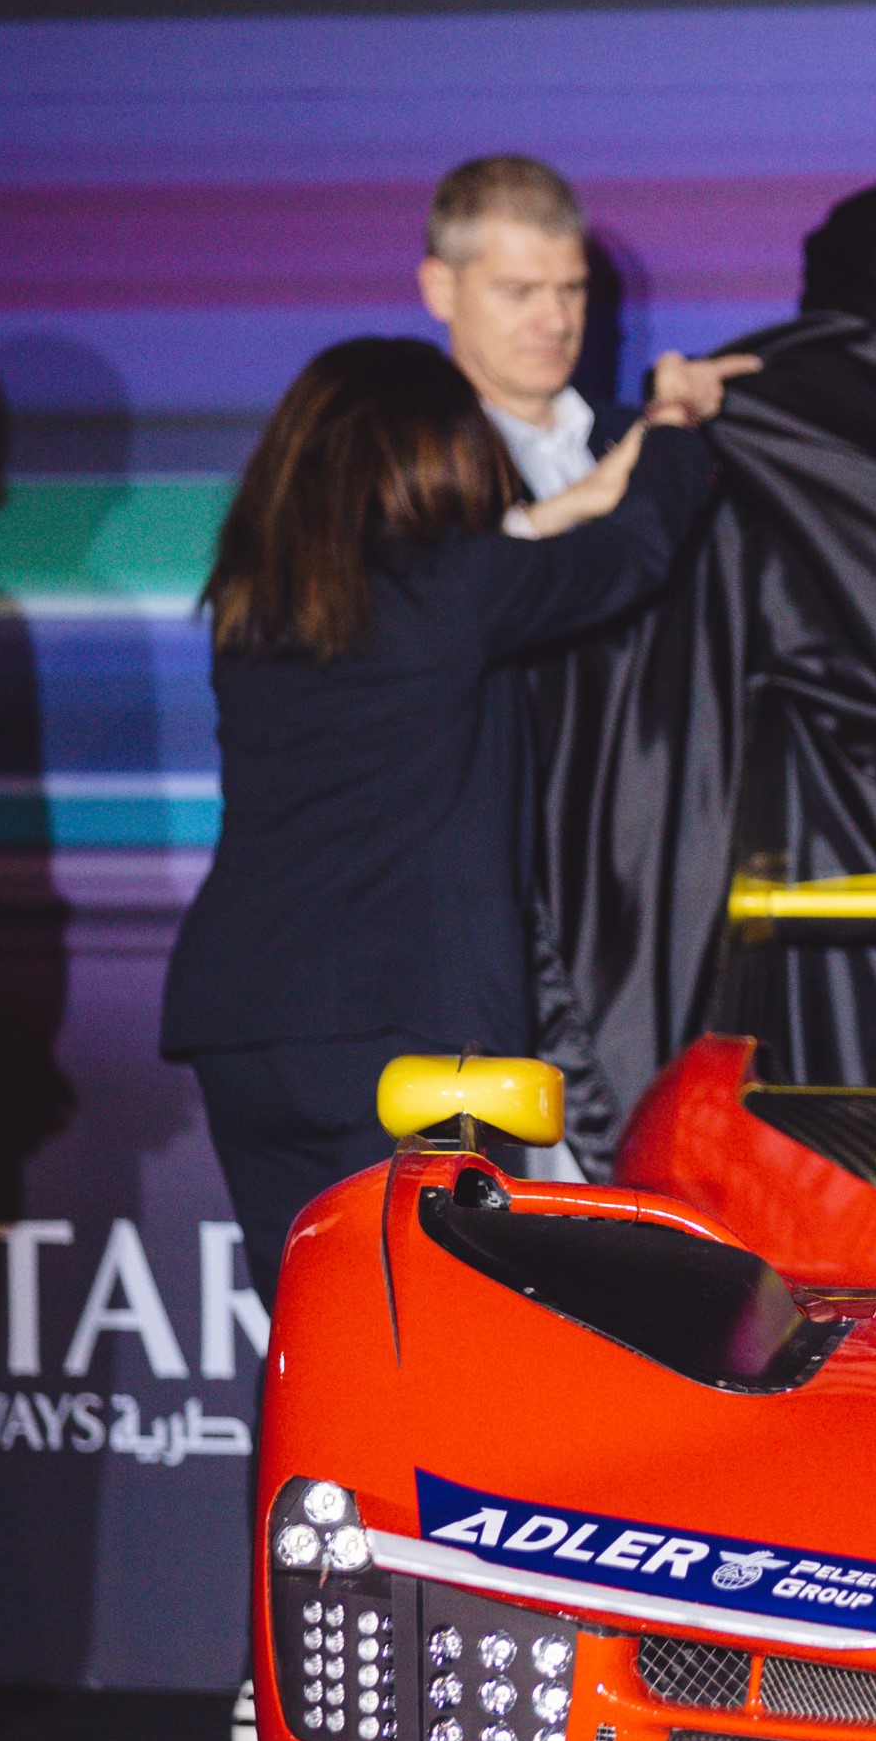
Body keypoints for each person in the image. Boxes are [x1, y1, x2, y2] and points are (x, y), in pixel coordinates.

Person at [161, 339, 719, 1291]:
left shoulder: (254, 605)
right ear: (434, 455)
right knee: (414, 1334)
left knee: (311, 1331)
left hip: (244, 1021)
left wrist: (583, 494)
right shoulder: (457, 593)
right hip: (395, 1030)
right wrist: (672, 424)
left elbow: (539, 536)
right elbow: (636, 548)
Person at [418, 155, 757, 521]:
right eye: (518, 291)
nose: (557, 322)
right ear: (442, 290)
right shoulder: (407, 464)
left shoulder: (640, 435)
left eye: (572, 290)